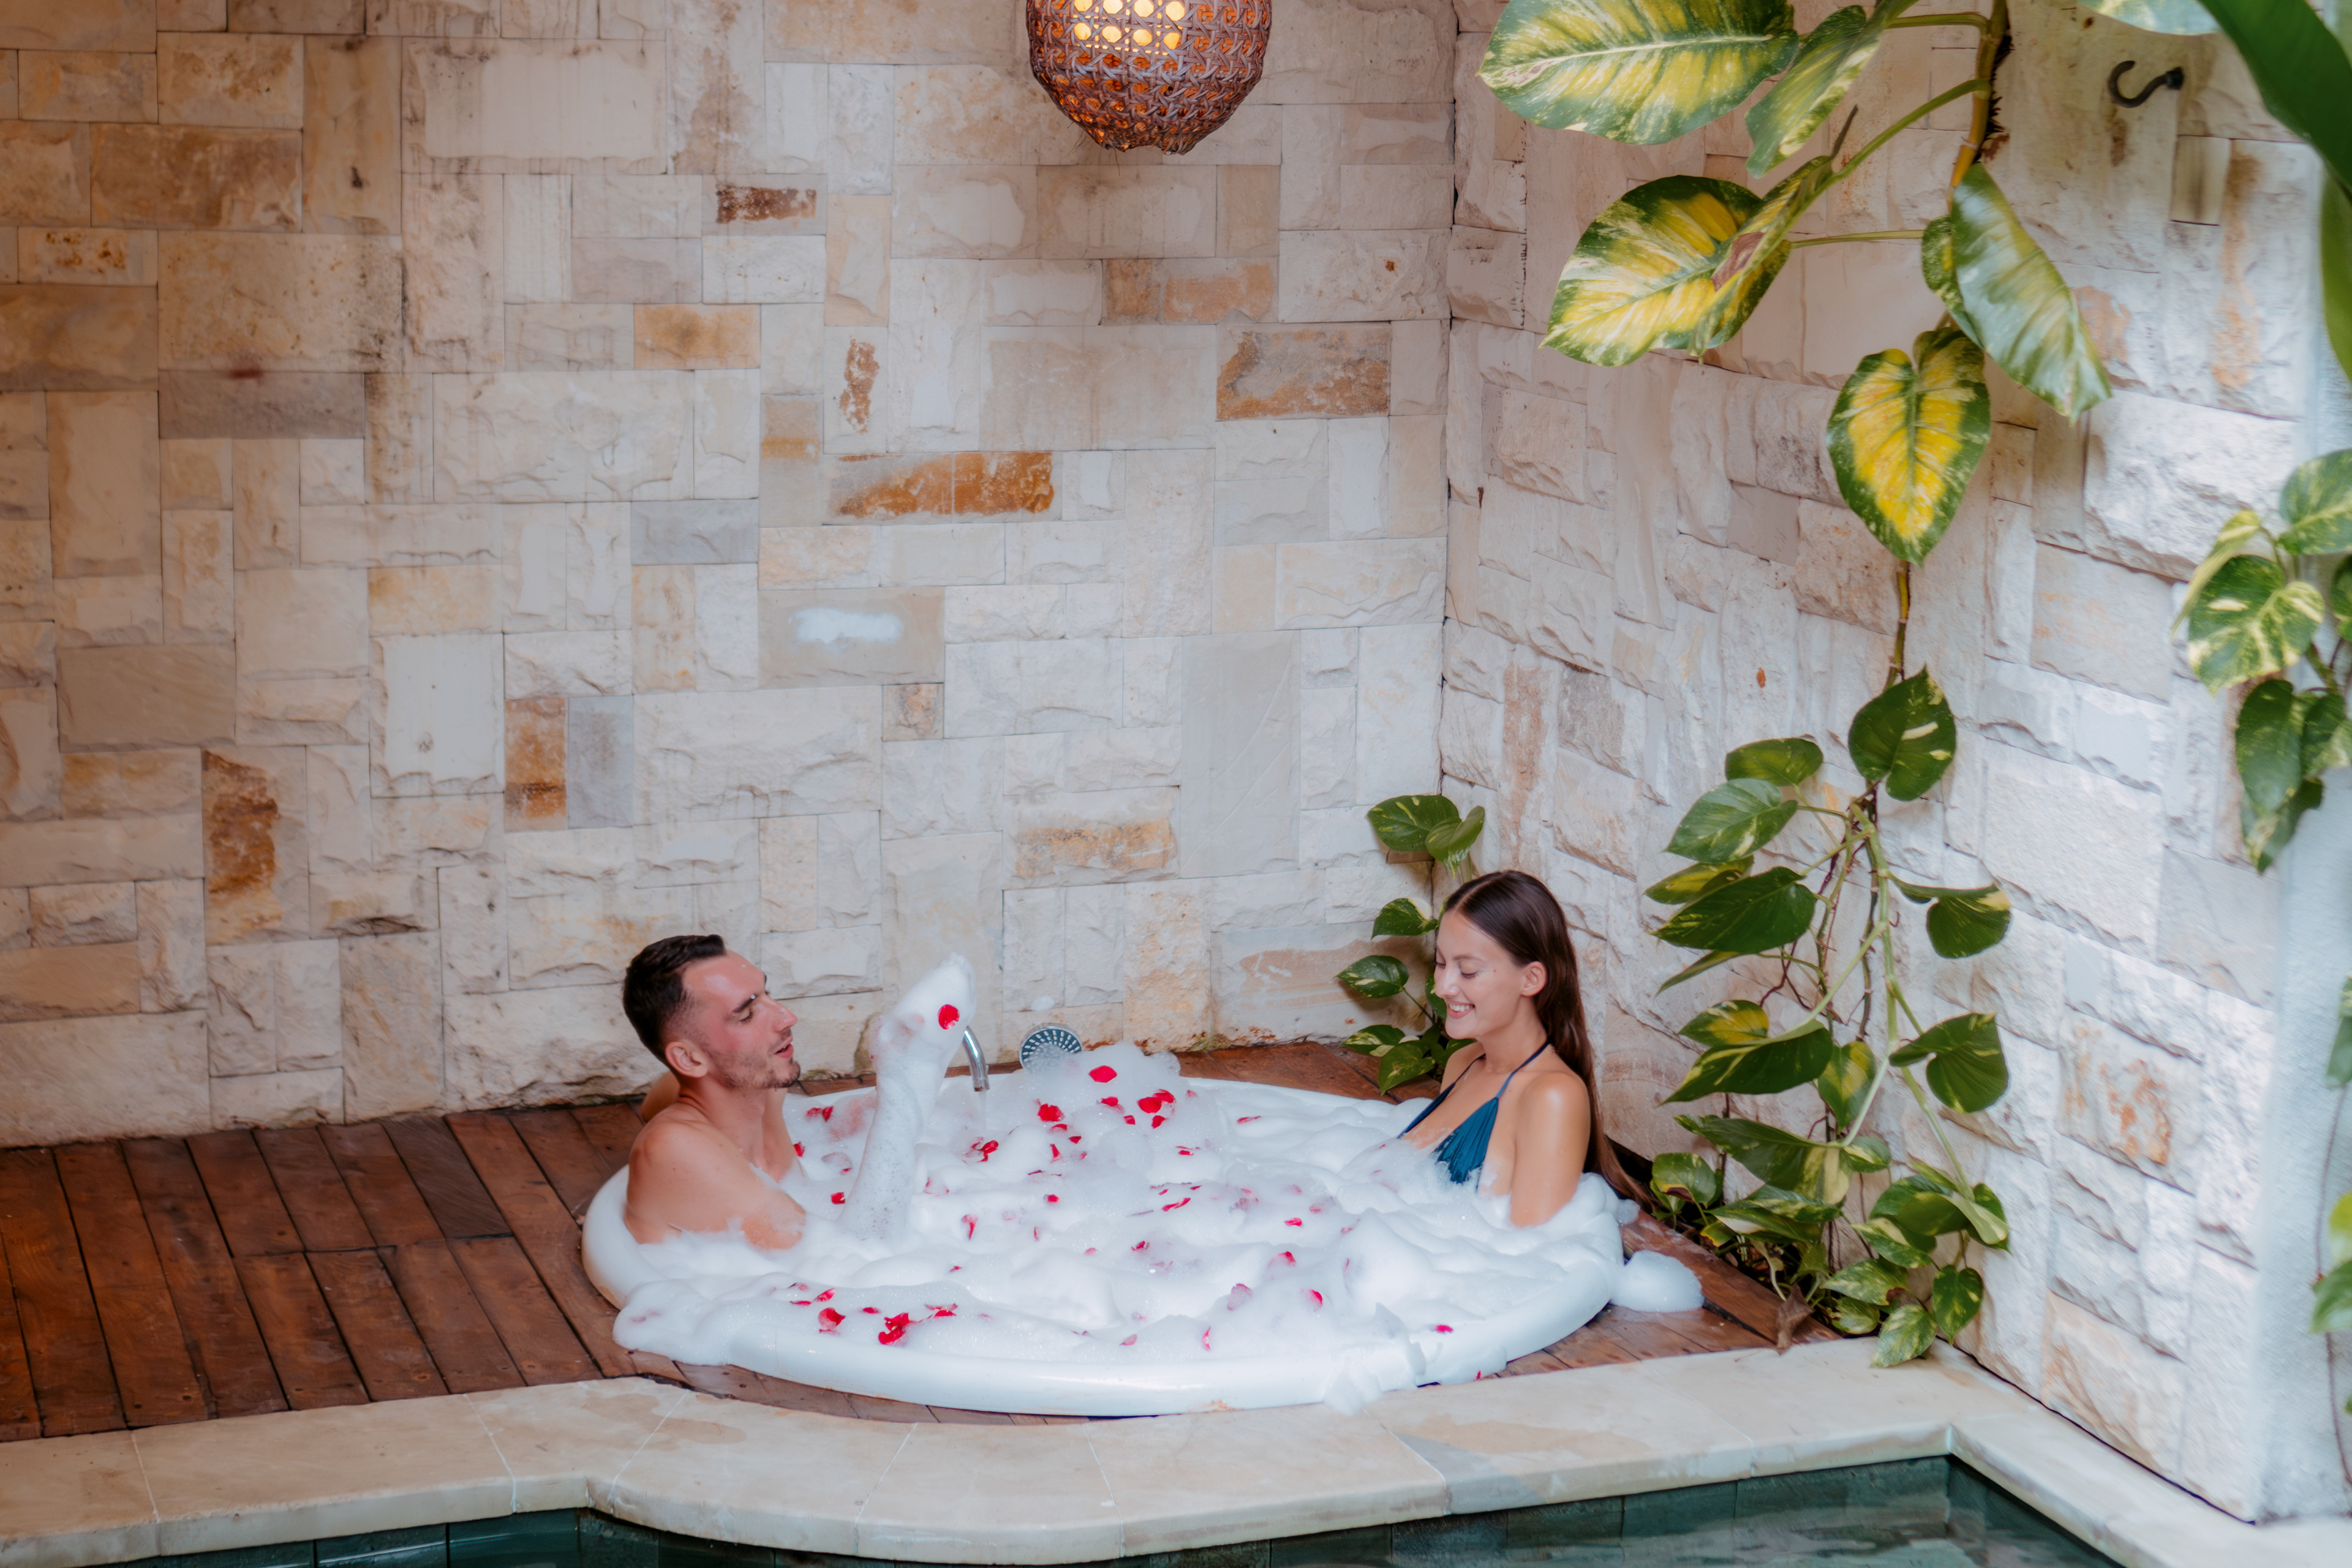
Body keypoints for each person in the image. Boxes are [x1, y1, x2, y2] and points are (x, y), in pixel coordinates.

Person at [1398, 869, 1642, 1227]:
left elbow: (1530, 1249)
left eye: (1468, 971)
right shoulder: (1463, 1064)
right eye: (1441, 963)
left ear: (1530, 979)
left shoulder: (1552, 1098)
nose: (1443, 987)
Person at [619, 933, 809, 1250]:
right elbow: (817, 1253)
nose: (788, 1017)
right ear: (689, 1059)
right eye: (747, 1014)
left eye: (767, 995)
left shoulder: (760, 1087)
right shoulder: (673, 1148)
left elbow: (654, 1102)